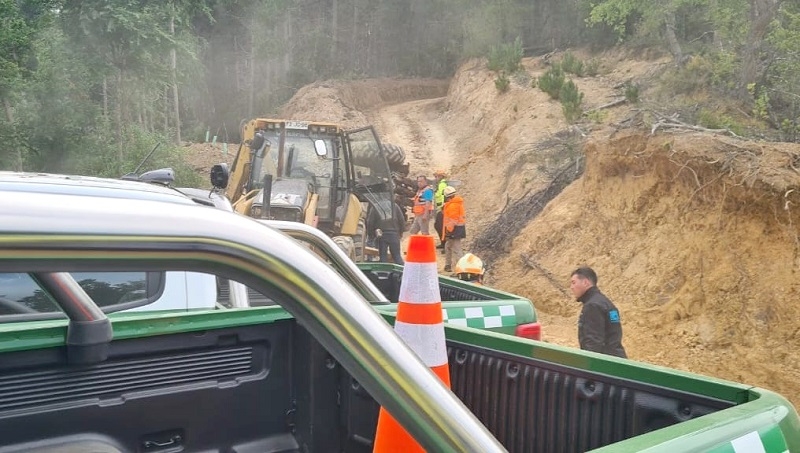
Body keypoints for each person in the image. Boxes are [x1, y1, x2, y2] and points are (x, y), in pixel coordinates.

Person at [569, 267, 627, 358]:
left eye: (573, 282)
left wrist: (588, 365)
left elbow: (593, 343)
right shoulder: (606, 303)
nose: (571, 287)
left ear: (585, 282)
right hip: (616, 360)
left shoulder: (592, 306)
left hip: (605, 364)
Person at [440, 186, 465, 273]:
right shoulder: (454, 204)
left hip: (454, 230)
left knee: (457, 249)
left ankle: (462, 270)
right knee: (448, 246)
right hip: (456, 229)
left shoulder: (453, 205)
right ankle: (448, 265)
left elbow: (453, 220)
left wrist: (449, 231)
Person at [433, 170, 448, 250]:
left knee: (440, 227)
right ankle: (443, 243)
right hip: (441, 208)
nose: (436, 178)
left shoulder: (442, 184)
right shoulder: (441, 184)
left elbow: (442, 196)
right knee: (438, 226)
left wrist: (443, 207)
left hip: (442, 208)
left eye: (437, 176)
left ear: (441, 176)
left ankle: (445, 245)